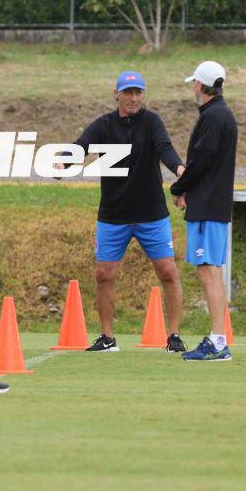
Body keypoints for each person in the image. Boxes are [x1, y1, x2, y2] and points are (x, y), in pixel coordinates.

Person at [60, 71, 187, 353]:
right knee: (104, 274)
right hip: (114, 215)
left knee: (167, 271)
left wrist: (180, 170)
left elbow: (165, 149)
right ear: (116, 94)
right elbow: (81, 145)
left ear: (143, 95)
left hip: (152, 214)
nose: (133, 97)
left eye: (138, 92)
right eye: (128, 92)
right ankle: (107, 338)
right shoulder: (104, 125)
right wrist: (63, 163)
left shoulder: (152, 121)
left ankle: (174, 336)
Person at [171, 61, 238, 362]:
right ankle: (219, 338)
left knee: (208, 270)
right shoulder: (222, 114)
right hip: (216, 204)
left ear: (199, 85)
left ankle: (218, 341)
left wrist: (179, 187)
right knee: (214, 271)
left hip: (207, 205)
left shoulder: (213, 116)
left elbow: (201, 160)